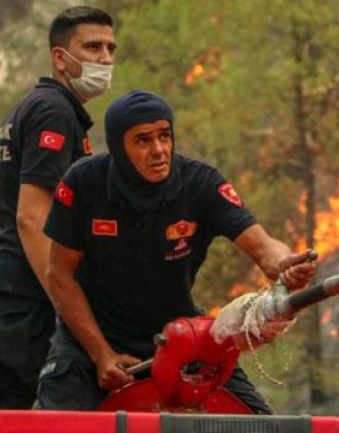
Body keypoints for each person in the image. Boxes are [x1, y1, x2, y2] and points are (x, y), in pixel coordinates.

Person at [36, 90, 316, 413]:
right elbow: (59, 273)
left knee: (258, 423)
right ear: (118, 148)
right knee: (59, 423)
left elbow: (265, 247)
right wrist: (101, 355)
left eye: (164, 136)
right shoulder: (83, 183)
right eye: (143, 140)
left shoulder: (201, 183)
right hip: (90, 343)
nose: (158, 150)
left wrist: (283, 264)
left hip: (179, 340)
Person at [0, 6, 117, 431]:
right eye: (92, 47)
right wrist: (68, 301)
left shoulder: (35, 108)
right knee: (77, 406)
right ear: (60, 58)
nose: (104, 58)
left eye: (110, 48)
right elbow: (31, 216)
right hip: (29, 299)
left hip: (3, 294)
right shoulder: (53, 112)